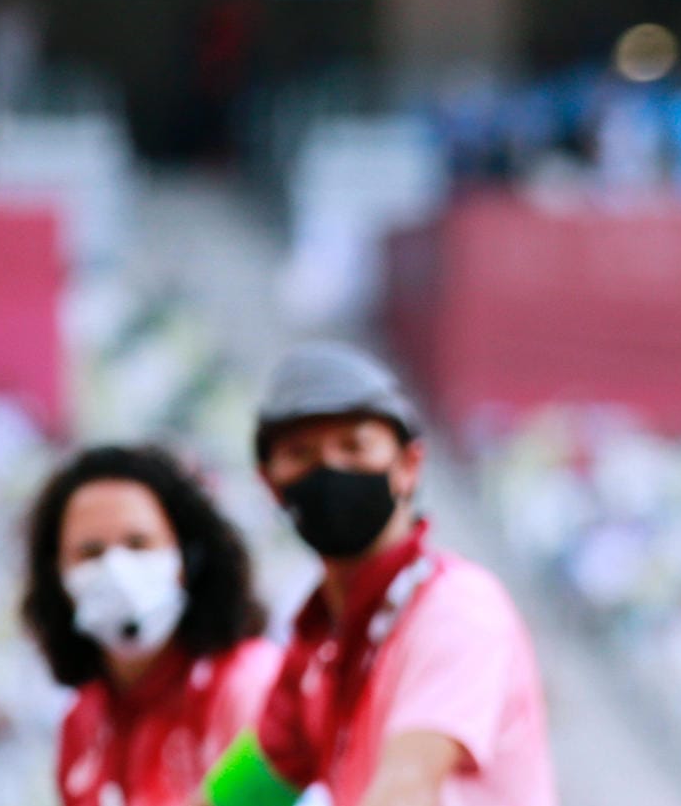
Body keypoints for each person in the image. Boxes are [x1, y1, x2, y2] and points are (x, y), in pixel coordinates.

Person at [204, 341, 555, 806]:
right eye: (300, 452)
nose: (329, 468)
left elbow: (405, 788)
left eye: (354, 446)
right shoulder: (319, 641)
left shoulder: (456, 610)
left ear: (409, 466)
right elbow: (237, 797)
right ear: (270, 483)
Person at [20, 444, 279, 806]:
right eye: (90, 553)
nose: (116, 570)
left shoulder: (251, 684)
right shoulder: (83, 722)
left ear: (187, 558)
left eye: (138, 544)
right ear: (57, 577)